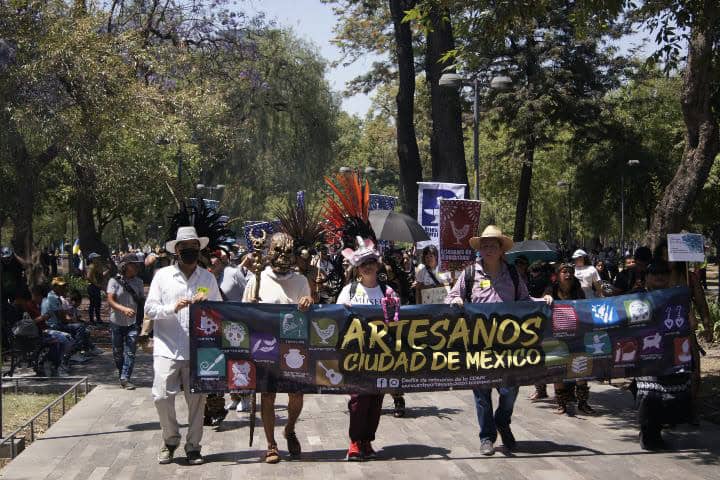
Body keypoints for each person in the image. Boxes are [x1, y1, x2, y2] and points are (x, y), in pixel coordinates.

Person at [446, 225, 553, 456]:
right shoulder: (469, 273)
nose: (488, 249)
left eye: (492, 245)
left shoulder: (513, 273)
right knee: (482, 392)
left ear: (501, 249)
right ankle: (487, 437)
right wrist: (455, 301)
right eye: (484, 245)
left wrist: (542, 300)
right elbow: (452, 295)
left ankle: (502, 420)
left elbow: (525, 300)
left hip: (508, 343)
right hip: (478, 342)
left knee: (510, 389)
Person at [145, 226, 223, 466]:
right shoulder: (162, 276)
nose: (189, 251)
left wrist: (206, 303)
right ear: (176, 250)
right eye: (184, 247)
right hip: (167, 347)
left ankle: (193, 446)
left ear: (198, 250)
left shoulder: (207, 278)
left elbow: (220, 311)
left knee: (196, 400)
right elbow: (149, 309)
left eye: (193, 247)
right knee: (160, 396)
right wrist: (172, 308)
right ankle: (170, 440)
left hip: (197, 348)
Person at [242, 232, 313, 464]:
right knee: (268, 394)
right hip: (265, 346)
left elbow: (309, 312)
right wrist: (250, 308)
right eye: (278, 251)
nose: (283, 256)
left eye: (287, 252)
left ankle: (290, 428)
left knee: (297, 395)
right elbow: (244, 314)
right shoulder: (257, 279)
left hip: (294, 346)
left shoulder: (301, 281)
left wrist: (308, 303)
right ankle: (271, 444)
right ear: (269, 253)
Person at [336, 238, 399, 461]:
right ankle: (354, 441)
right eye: (363, 264)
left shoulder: (388, 290)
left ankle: (367, 441)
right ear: (357, 268)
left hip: (381, 355)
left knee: (376, 398)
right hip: (356, 355)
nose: (368, 266)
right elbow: (337, 319)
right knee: (358, 399)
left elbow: (397, 322)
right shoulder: (349, 291)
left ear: (377, 264)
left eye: (371, 262)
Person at [635, 261, 692, 449]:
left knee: (667, 396)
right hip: (646, 354)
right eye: (655, 273)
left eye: (664, 273)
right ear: (647, 278)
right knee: (649, 395)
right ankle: (647, 434)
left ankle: (656, 432)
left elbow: (687, 322)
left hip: (669, 353)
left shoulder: (676, 297)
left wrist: (690, 319)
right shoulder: (637, 297)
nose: (660, 277)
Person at [544, 263, 595, 415]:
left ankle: (583, 403)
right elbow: (543, 306)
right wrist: (545, 298)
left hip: (575, 336)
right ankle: (561, 404)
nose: (568, 274)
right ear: (558, 275)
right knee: (557, 369)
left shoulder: (579, 291)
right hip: (555, 336)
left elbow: (585, 311)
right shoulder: (550, 289)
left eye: (570, 272)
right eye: (564, 271)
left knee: (580, 369)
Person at [107, 253, 145, 390]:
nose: (135, 267)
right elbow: (110, 300)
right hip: (116, 322)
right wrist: (123, 309)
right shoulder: (114, 281)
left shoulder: (139, 282)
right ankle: (122, 372)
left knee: (130, 352)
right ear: (124, 266)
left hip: (133, 323)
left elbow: (141, 301)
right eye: (132, 264)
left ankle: (125, 378)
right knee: (117, 352)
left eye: (137, 265)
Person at [85, 252, 108, 324]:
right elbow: (88, 277)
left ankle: (98, 319)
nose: (98, 259)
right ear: (92, 259)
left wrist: (108, 271)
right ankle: (92, 320)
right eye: (96, 258)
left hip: (96, 287)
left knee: (98, 303)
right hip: (92, 287)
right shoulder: (92, 266)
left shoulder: (98, 266)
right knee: (93, 303)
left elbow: (101, 276)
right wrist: (96, 284)